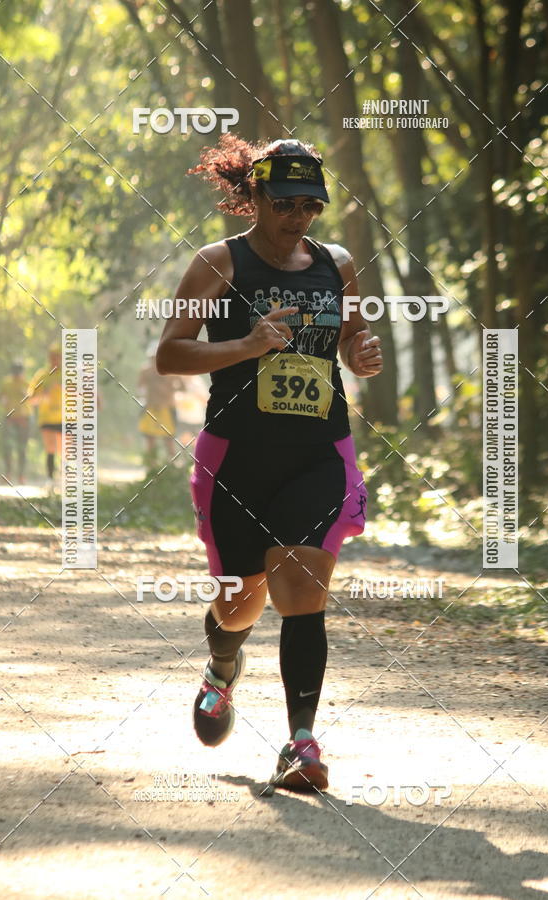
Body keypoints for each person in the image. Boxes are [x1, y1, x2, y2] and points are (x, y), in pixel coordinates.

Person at [156, 135, 383, 792]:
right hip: (237, 457)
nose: (299, 217)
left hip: (318, 452)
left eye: (311, 205)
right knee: (238, 604)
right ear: (254, 196)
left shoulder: (337, 264)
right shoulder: (217, 263)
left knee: (302, 589)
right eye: (286, 203)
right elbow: (170, 353)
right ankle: (223, 665)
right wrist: (248, 345)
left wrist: (360, 354)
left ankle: (300, 743)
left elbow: (350, 338)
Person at [137, 341, 185, 469]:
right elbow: (140, 387)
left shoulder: (173, 370)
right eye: (153, 357)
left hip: (167, 408)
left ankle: (173, 468)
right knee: (150, 439)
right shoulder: (145, 370)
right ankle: (151, 468)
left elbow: (183, 387)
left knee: (169, 439)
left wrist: (169, 389)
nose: (155, 360)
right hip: (150, 408)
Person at [28, 344, 63, 491]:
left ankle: (65, 479)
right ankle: (50, 479)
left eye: (58, 356)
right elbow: (31, 399)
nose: (55, 360)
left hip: (67, 418)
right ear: (49, 357)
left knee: (65, 449)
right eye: (53, 356)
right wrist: (44, 394)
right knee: (50, 447)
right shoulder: (42, 375)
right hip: (47, 418)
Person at [0, 361, 30, 484]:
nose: (17, 375)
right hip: (9, 418)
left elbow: (31, 399)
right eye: (15, 373)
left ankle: (21, 475)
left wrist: (25, 394)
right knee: (7, 446)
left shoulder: (27, 383)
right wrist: (3, 400)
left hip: (24, 418)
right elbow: (1, 397)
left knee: (22, 447)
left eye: (18, 373)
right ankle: (7, 474)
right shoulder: (6, 383)